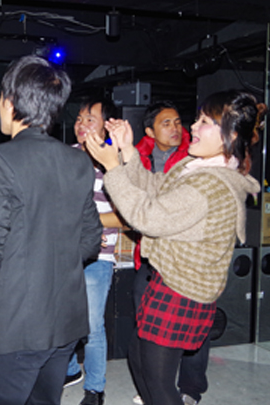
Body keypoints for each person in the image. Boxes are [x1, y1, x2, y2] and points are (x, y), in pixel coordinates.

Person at [85, 90, 262, 405]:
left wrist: (113, 168)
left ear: (230, 135)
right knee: (139, 358)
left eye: (204, 121)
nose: (192, 126)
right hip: (167, 281)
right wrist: (127, 150)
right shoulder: (197, 166)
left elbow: (147, 218)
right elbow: (155, 187)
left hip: (182, 289)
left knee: (159, 381)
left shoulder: (211, 183)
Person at [0, 55, 102, 405]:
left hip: (16, 322)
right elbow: (91, 240)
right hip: (65, 318)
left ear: (11, 102)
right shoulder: (78, 161)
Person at [132, 101, 208, 405]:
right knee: (143, 332)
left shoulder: (195, 158)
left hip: (185, 261)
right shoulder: (139, 158)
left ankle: (190, 388)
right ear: (150, 131)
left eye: (178, 121)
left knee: (191, 332)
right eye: (166, 123)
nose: (176, 128)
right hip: (149, 257)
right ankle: (156, 387)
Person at [64, 97, 125, 405]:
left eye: (90, 119)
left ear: (107, 126)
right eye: (79, 118)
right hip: (64, 253)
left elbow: (126, 217)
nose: (81, 124)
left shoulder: (116, 162)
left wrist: (86, 225)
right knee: (61, 317)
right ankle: (69, 370)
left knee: (91, 324)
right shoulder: (66, 156)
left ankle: (95, 389)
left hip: (98, 256)